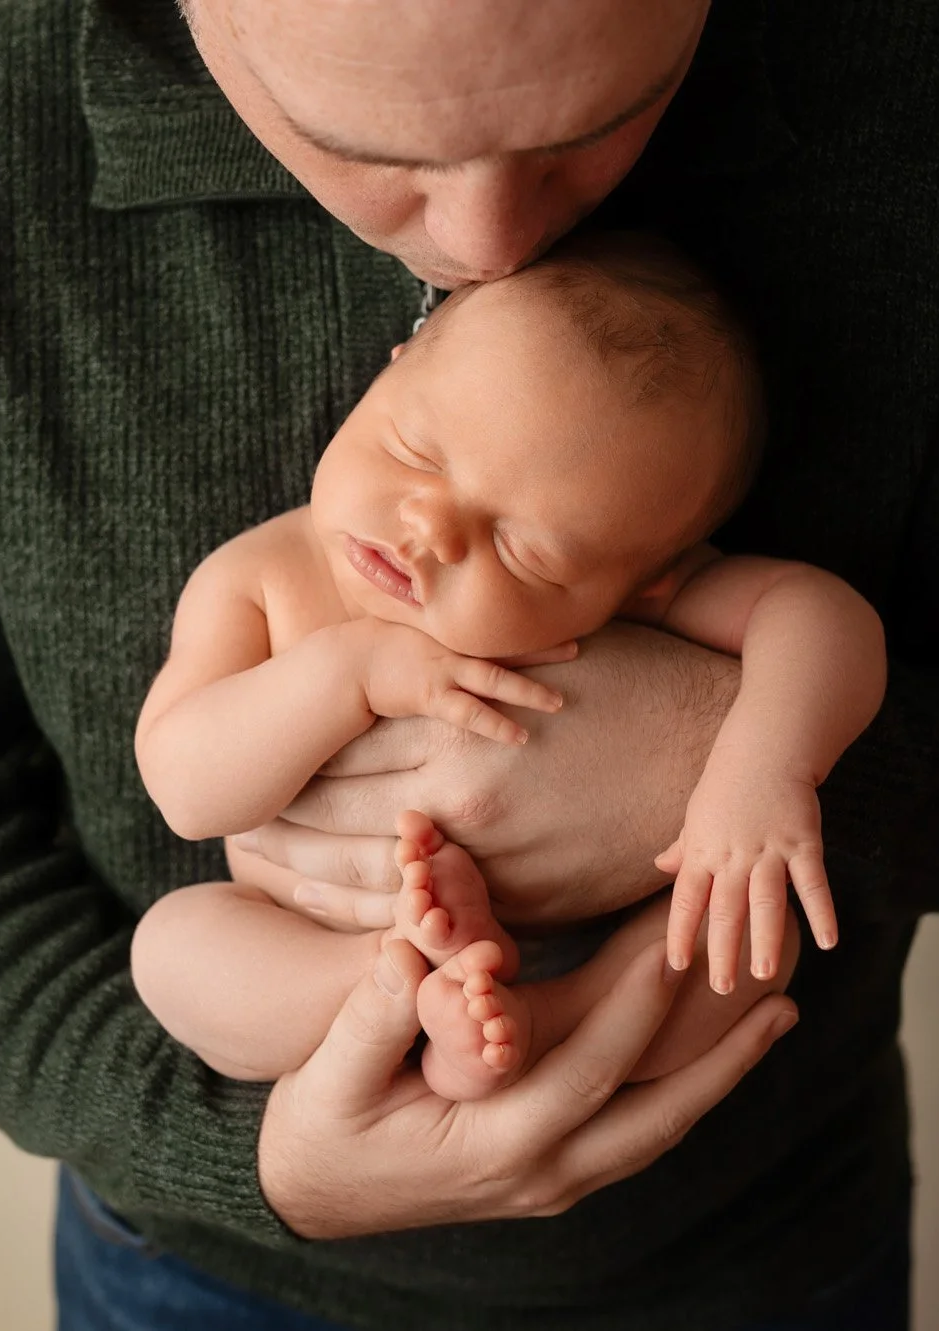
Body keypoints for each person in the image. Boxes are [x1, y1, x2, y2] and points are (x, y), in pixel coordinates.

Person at [0, 0, 939, 1326]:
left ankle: (554, 1026)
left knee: (724, 966)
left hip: (747, 1256)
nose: (485, 249)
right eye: (365, 148)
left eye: (599, 122)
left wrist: (723, 762)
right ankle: (401, 999)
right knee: (179, 952)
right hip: (196, 1268)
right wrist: (256, 1153)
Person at [131, 236, 884, 1103]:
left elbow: (818, 614)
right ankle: (388, 983)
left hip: (566, 953)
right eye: (414, 450)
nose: (430, 527)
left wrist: (759, 775)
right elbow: (186, 791)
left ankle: (544, 1022)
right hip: (307, 935)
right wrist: (351, 673)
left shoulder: (625, 602)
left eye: (523, 550)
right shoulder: (263, 580)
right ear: (391, 368)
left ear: (641, 584)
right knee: (172, 950)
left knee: (750, 942)